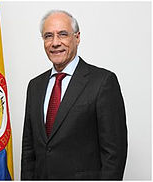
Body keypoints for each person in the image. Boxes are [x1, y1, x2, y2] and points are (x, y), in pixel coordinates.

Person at [21, 10, 127, 180]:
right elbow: (29, 150)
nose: (55, 43)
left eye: (62, 34)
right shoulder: (35, 86)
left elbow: (114, 155)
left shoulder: (103, 82)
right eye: (48, 36)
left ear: (77, 38)